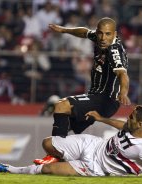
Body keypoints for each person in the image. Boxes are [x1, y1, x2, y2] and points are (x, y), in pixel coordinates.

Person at [36, 17, 131, 164]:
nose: (102, 38)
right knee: (66, 127)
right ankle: (62, 161)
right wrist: (64, 30)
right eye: (100, 33)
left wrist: (123, 92)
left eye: (107, 34)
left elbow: (122, 74)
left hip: (105, 99)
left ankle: (55, 156)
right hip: (95, 97)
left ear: (115, 34)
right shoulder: (99, 38)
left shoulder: (114, 50)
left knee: (61, 105)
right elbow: (85, 32)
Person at [0, 105, 142, 177]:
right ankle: (57, 156)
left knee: (47, 170)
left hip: (95, 167)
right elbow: (121, 125)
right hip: (92, 145)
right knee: (48, 143)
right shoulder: (132, 126)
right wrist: (101, 118)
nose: (128, 118)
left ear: (141, 124)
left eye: (132, 117)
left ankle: (9, 169)